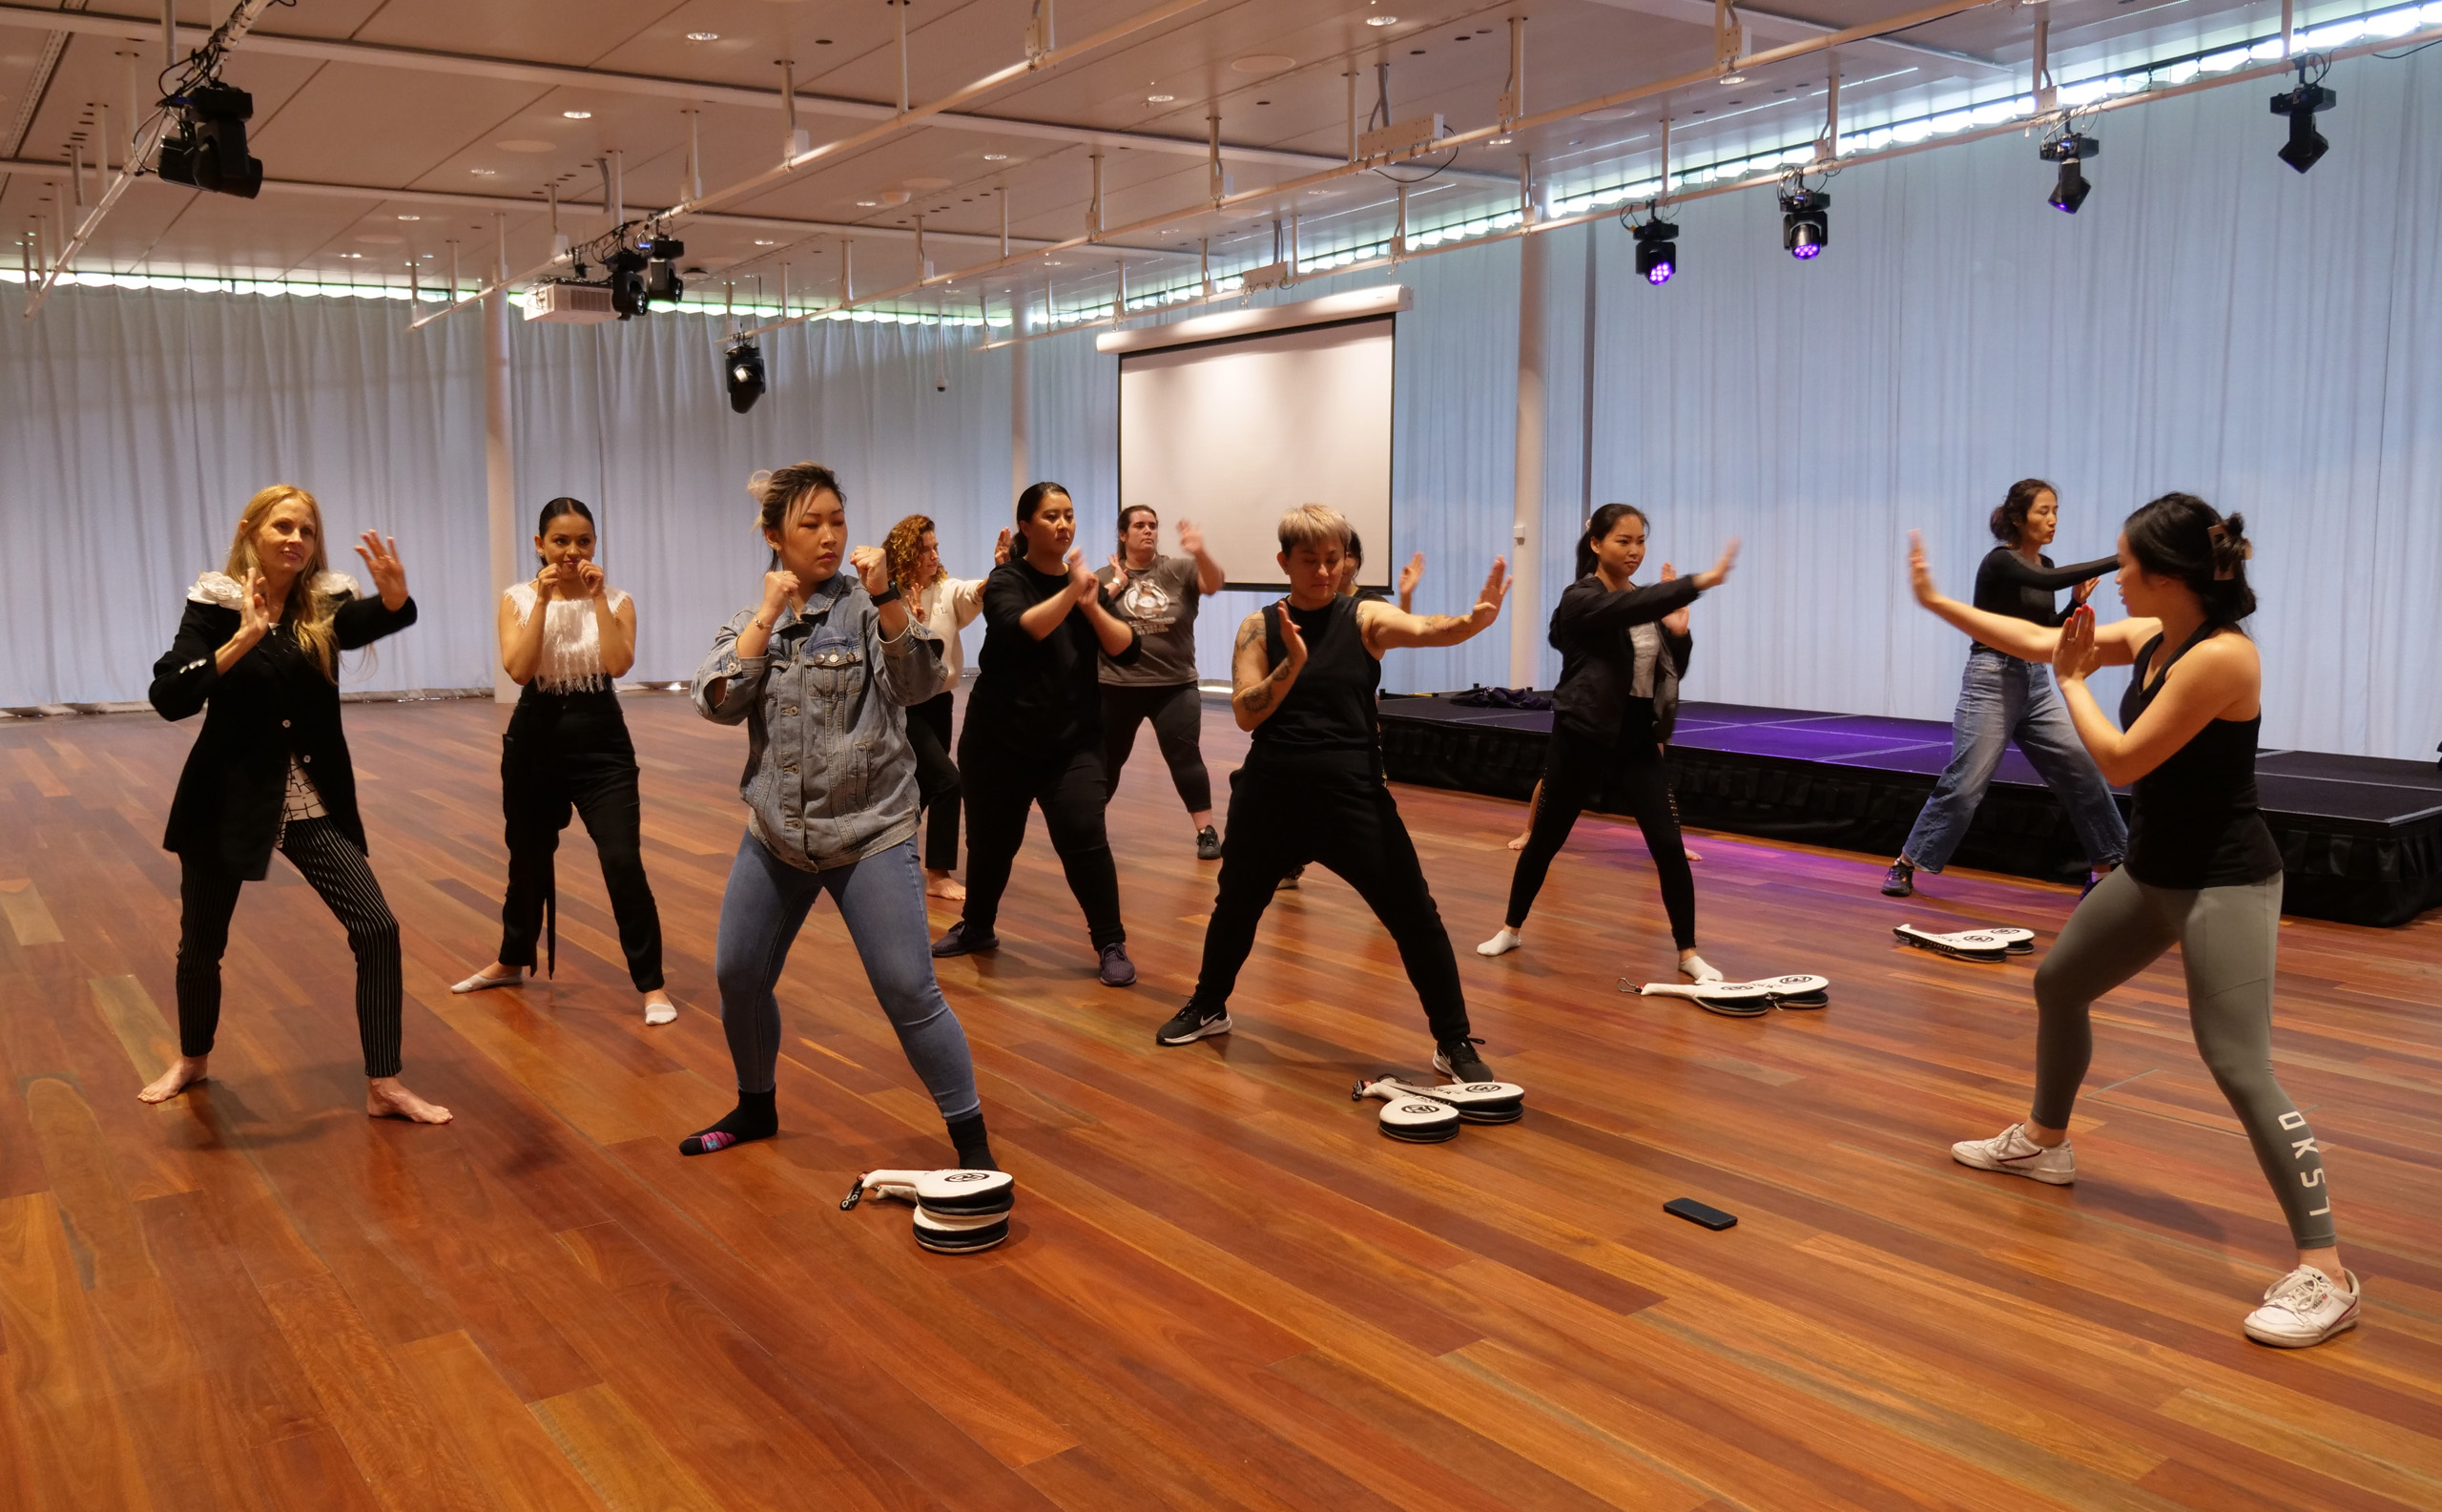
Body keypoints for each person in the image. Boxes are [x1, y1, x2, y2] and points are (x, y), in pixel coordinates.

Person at [1910, 497, 2356, 1348]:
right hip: (2154, 870)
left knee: (2239, 1064)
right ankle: (2045, 1141)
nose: (2113, 576)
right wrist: (1938, 604)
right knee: (2058, 983)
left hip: (2224, 881)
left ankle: (2329, 1273)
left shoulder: (2222, 657)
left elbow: (2121, 758)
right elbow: (2037, 639)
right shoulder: (2157, 633)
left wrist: (2074, 682)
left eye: (2124, 563)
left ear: (2168, 575)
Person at [679, 463, 995, 1170]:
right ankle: (755, 1105)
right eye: (810, 524)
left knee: (909, 990)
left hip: (869, 832)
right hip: (777, 835)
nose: (829, 537)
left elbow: (922, 681)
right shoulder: (754, 620)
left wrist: (886, 595)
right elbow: (715, 701)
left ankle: (973, 1146)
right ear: (774, 537)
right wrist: (767, 616)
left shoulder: (867, 608)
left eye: (837, 521)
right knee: (738, 975)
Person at [1154, 506, 1510, 1084]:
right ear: (1284, 562)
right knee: (1236, 906)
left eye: (1333, 559)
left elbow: (1426, 629)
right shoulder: (1259, 627)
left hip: (1352, 797)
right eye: (1310, 561)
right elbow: (1245, 713)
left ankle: (1453, 1039)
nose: (1324, 572)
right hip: (1271, 793)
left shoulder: (1364, 617)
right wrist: (1290, 667)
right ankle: (1209, 1005)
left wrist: (1473, 622)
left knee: (1415, 917)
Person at [142, 486, 449, 1123]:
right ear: (250, 530)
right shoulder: (216, 604)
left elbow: (366, 622)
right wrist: (241, 640)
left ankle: (384, 1083)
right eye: (283, 526)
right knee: (201, 945)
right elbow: (169, 695)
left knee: (378, 928)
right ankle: (193, 1058)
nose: (296, 539)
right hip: (227, 800)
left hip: (310, 799)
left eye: (306, 530)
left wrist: (394, 599)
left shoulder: (324, 604)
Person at [1476, 505, 1738, 984]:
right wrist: (1698, 581)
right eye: (1623, 541)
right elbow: (1625, 611)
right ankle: (1510, 928)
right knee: (1545, 840)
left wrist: (1680, 634)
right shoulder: (1581, 598)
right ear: (1596, 544)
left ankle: (1688, 953)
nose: (1635, 550)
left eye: (1641, 541)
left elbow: (1666, 669)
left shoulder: (1644, 601)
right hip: (1583, 732)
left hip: (1635, 735)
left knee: (1668, 845)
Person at [451, 498, 674, 1025]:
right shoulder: (517, 599)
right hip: (535, 739)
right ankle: (511, 960)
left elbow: (618, 664)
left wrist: (595, 599)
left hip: (603, 744)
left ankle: (653, 986)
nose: (573, 551)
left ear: (595, 544)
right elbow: (519, 670)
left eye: (584, 541)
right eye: (561, 541)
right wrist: (544, 599)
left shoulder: (617, 601)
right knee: (527, 860)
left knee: (622, 860)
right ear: (539, 545)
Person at [933, 482, 1144, 986]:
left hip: (1072, 743)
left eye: (1068, 514)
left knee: (1083, 834)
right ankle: (977, 927)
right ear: (1026, 527)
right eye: (1051, 516)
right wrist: (1072, 592)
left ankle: (1110, 942)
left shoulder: (1085, 588)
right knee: (991, 843)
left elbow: (1127, 649)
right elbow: (1022, 628)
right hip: (998, 742)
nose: (1063, 524)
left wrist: (1091, 605)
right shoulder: (1007, 579)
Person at [1884, 480, 2127, 898]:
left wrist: (2074, 604)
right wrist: (2124, 558)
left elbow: (2043, 631)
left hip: (2035, 682)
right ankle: (1905, 863)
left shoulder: (2046, 565)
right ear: (2018, 518)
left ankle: (2105, 874)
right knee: (1965, 786)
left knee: (2082, 772)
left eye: (2055, 511)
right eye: (2043, 511)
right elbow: (2046, 583)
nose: (2052, 520)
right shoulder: (2001, 562)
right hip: (1991, 681)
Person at [882, 513, 1009, 901]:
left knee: (921, 787)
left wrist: (999, 570)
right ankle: (937, 874)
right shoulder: (887, 597)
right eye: (925, 549)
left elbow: (974, 592)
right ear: (907, 553)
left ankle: (884, 858)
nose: (934, 555)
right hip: (905, 708)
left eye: (936, 547)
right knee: (948, 782)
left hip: (939, 702)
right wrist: (913, 622)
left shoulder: (945, 589)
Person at [1097, 506, 1226, 859]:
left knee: (1185, 756)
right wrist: (1117, 583)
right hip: (1116, 685)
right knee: (1107, 760)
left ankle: (1206, 832)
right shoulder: (1104, 575)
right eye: (1140, 525)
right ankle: (1090, 825)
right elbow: (1085, 611)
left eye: (1153, 525)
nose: (1148, 531)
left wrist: (1199, 551)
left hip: (1174, 685)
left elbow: (1214, 583)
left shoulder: (1179, 569)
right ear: (1122, 534)